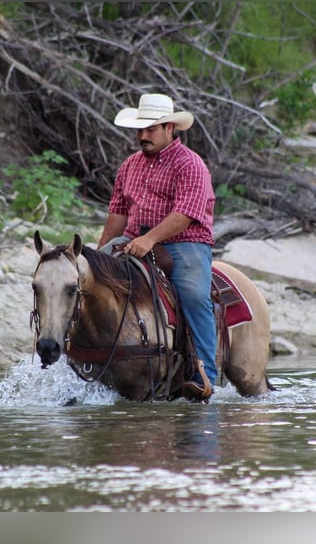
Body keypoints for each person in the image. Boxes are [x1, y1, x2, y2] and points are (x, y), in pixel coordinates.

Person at [97, 93, 217, 402]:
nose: (143, 135)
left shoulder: (190, 164)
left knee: (192, 295)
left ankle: (203, 374)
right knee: (90, 283)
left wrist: (150, 239)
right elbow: (118, 214)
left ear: (170, 128)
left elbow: (186, 213)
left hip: (184, 242)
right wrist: (98, 256)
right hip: (133, 239)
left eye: (151, 129)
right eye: (140, 129)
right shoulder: (129, 166)